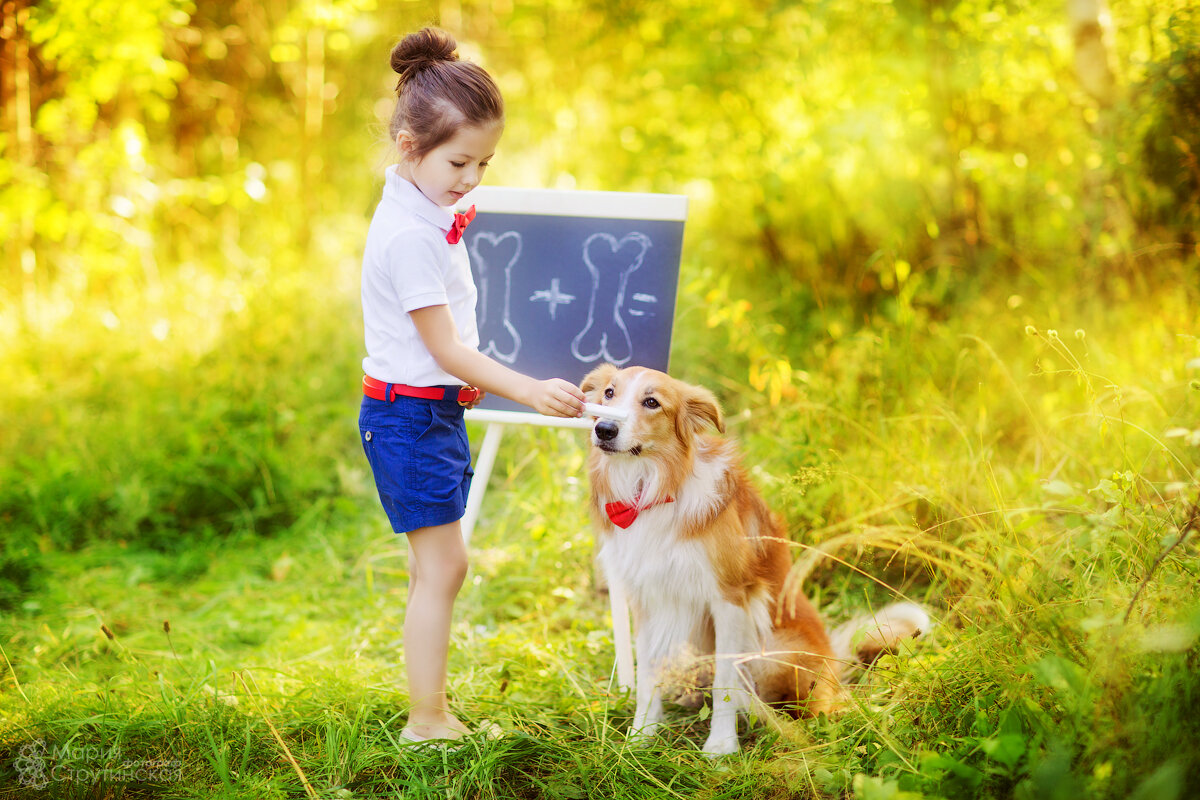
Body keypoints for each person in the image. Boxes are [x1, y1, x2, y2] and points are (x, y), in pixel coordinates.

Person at [359, 27, 585, 743]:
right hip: (409, 419)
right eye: (460, 161)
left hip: (425, 414)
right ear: (407, 145)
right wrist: (530, 388)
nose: (473, 178)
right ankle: (427, 719)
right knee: (445, 568)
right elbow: (446, 348)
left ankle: (431, 708)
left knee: (434, 569)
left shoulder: (425, 208)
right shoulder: (410, 237)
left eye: (485, 162)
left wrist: (458, 200)